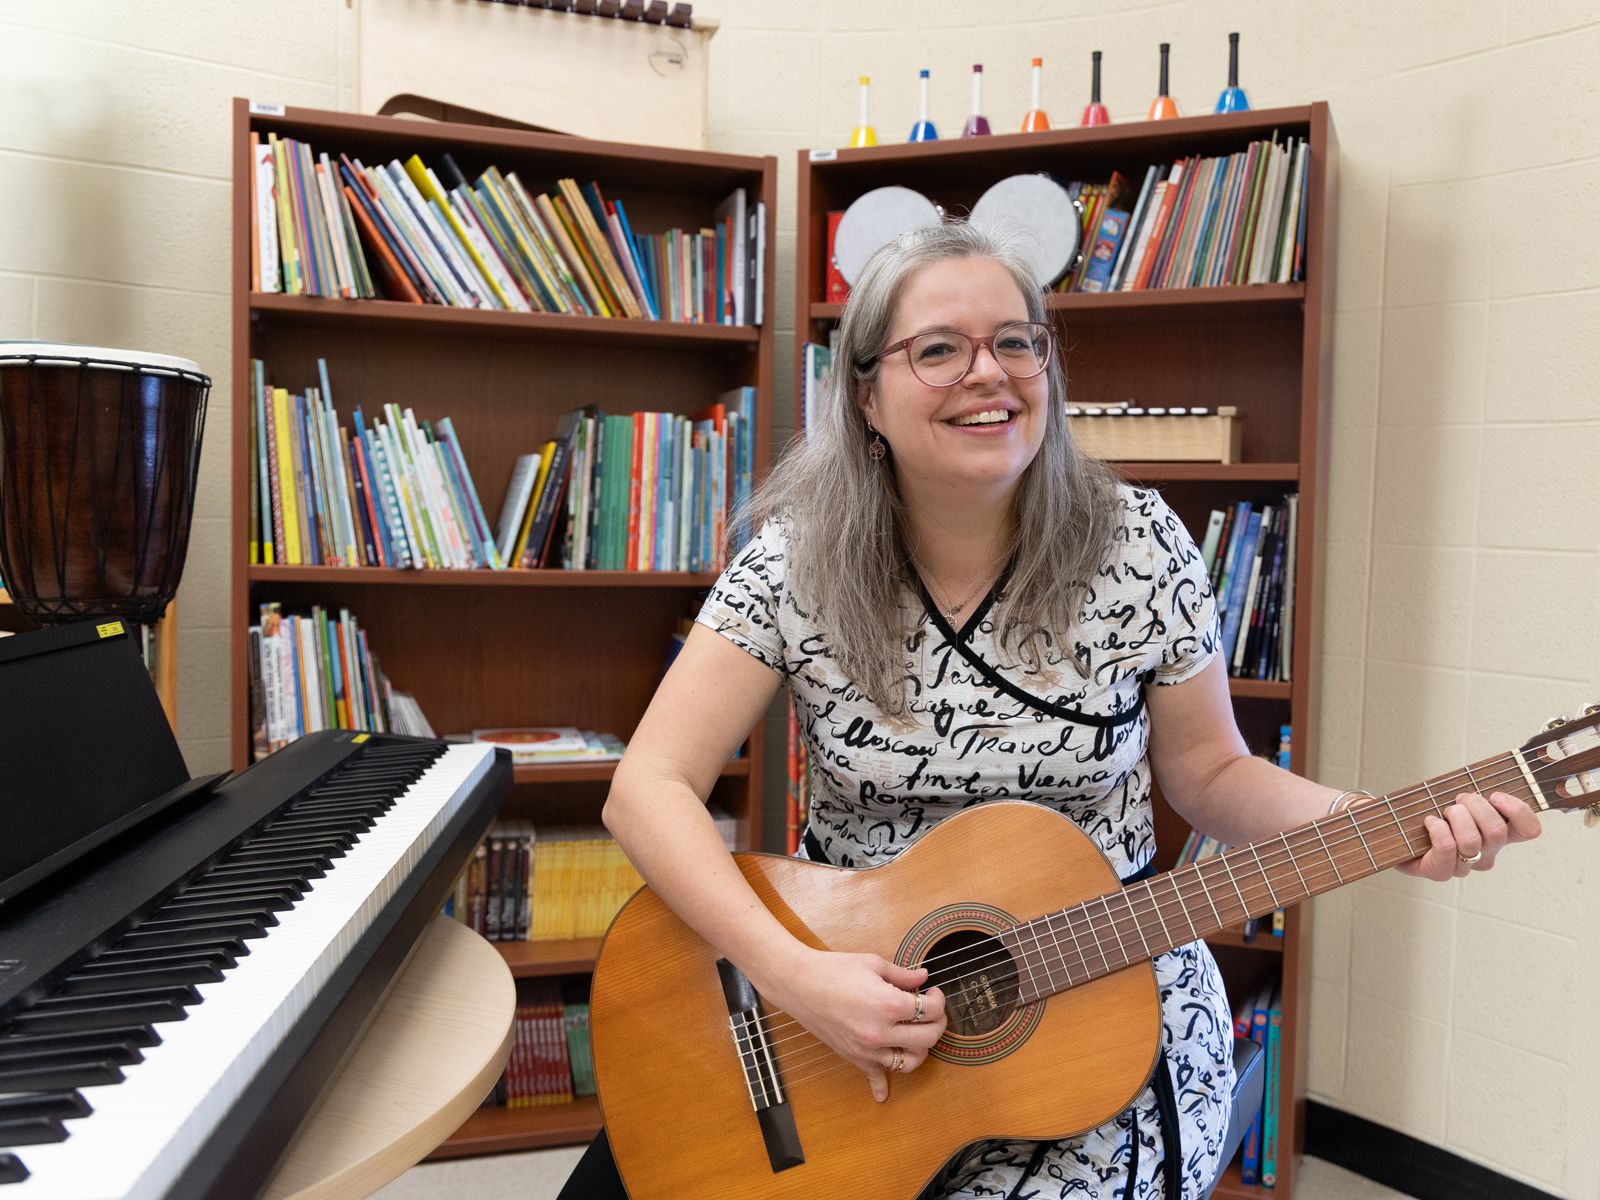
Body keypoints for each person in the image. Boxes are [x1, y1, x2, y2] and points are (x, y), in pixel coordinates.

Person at [561, 221, 1540, 1199]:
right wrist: (793, 976)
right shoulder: (792, 561)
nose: (988, 373)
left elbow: (1210, 775)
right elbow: (647, 788)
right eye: (938, 348)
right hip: (838, 998)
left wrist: (1370, 827)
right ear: (866, 395)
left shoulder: (1142, 545)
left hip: (1102, 995)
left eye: (1016, 341)